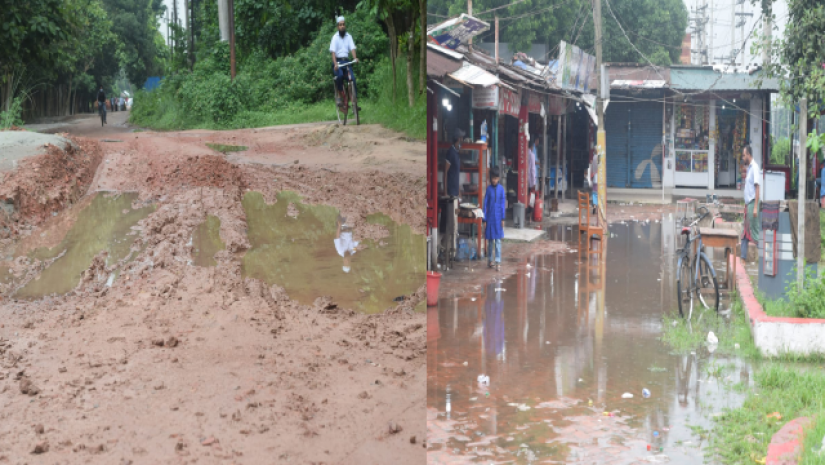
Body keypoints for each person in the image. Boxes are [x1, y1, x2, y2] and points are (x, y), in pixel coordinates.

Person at [440, 128, 463, 265]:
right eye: (461, 139)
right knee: (451, 224)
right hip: (450, 193)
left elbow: (455, 175)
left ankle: (450, 250)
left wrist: (459, 190)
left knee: (454, 225)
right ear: (457, 140)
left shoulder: (456, 153)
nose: (462, 142)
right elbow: (445, 171)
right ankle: (449, 251)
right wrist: (445, 191)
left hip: (455, 191)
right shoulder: (450, 152)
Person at [329, 16, 359, 110]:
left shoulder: (349, 36)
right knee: (340, 76)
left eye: (343, 24)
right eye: (340, 25)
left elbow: (352, 48)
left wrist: (355, 58)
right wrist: (335, 64)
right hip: (338, 62)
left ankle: (354, 102)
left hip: (346, 61)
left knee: (352, 79)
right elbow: (333, 52)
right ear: (338, 27)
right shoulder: (335, 37)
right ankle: (340, 95)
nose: (342, 26)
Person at [483, 166, 506, 271]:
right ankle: (490, 260)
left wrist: (503, 218)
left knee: (498, 241)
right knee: (490, 241)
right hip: (490, 218)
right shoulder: (488, 189)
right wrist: (484, 219)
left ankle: (498, 261)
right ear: (490, 178)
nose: (494, 180)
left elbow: (502, 205)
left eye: (496, 178)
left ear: (499, 178)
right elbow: (485, 205)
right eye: (493, 178)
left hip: (498, 218)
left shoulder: (501, 190)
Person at [741, 145, 760, 260]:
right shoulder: (749, 168)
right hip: (748, 204)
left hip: (753, 203)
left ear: (748, 154)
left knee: (755, 233)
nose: (743, 158)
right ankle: (743, 259)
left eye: (744, 155)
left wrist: (755, 207)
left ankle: (762, 258)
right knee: (745, 233)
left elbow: (757, 188)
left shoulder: (755, 168)